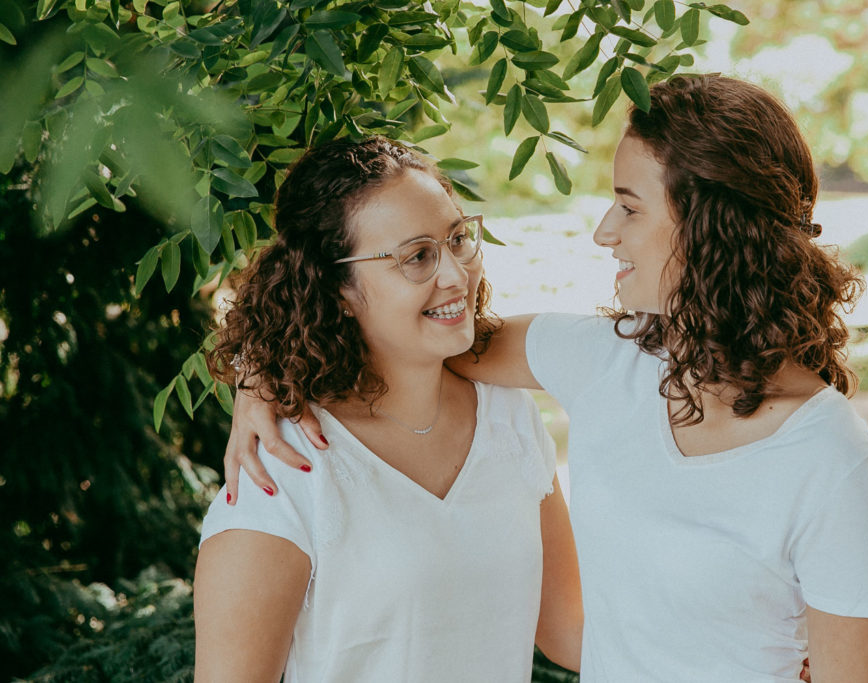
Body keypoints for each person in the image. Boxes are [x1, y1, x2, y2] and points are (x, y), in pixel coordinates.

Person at [226, 74, 868, 681]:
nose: (605, 231)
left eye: (630, 206)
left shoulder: (830, 461)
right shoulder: (607, 360)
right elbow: (421, 330)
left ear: (710, 228)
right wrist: (258, 377)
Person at [193, 137, 582, 682]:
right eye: (417, 256)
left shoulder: (509, 417)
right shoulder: (283, 470)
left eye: (457, 240)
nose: (455, 275)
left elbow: (572, 632)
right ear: (338, 288)